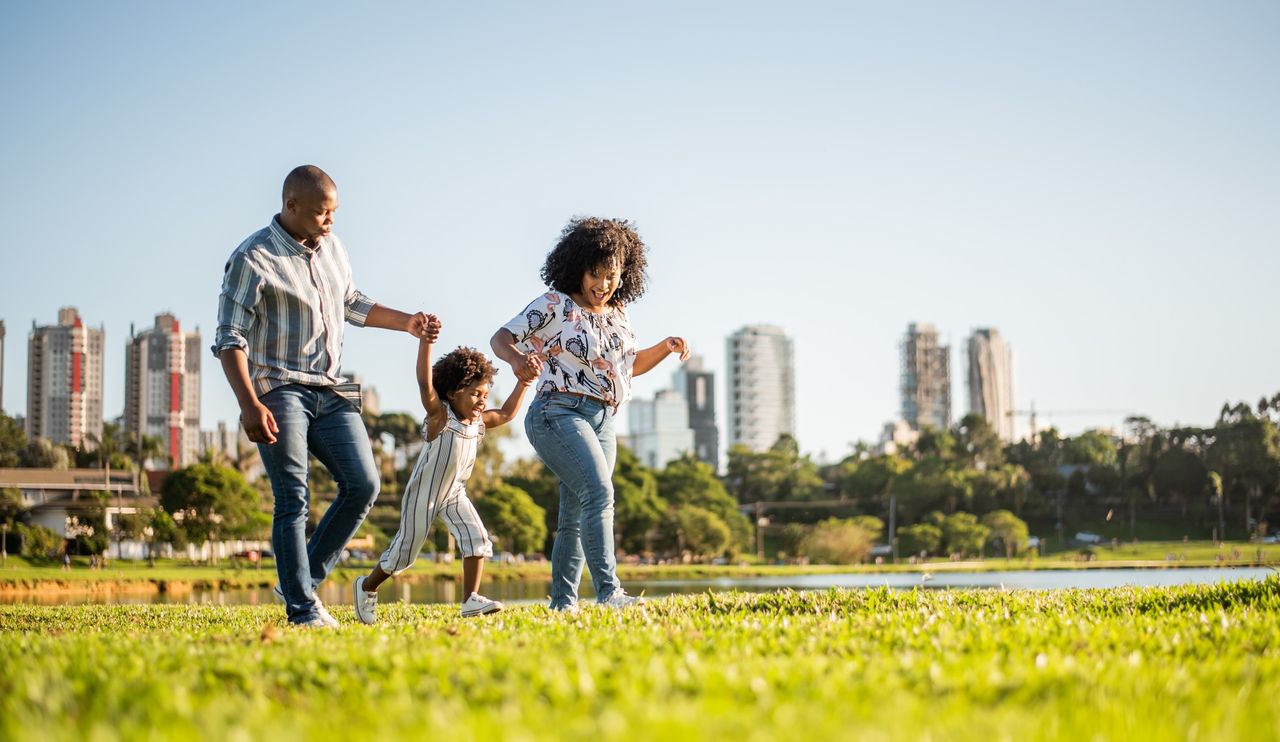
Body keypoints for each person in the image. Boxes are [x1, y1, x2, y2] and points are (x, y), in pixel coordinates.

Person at [213, 165, 434, 628]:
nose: (329, 222)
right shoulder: (252, 258)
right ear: (291, 206)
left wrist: (407, 322)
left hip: (330, 389)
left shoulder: (332, 247)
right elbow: (230, 338)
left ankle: (301, 576)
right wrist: (249, 404)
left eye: (334, 213)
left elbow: (351, 302)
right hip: (277, 389)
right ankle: (301, 607)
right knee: (292, 495)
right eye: (320, 213)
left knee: (364, 484)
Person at [490, 217, 689, 612]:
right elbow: (501, 338)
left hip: (603, 420)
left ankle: (562, 604)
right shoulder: (555, 305)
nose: (603, 285)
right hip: (557, 413)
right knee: (599, 493)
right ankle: (609, 592)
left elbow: (627, 365)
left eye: (612, 276)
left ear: (624, 274)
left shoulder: (619, 311)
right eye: (595, 274)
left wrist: (665, 347)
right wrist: (516, 361)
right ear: (576, 268)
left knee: (575, 513)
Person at [352, 323, 540, 623]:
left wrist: (525, 382)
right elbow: (425, 385)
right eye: (475, 394)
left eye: (485, 394)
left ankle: (469, 600)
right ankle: (366, 586)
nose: (482, 401)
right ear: (453, 393)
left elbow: (505, 414)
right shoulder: (441, 416)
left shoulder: (477, 423)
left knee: (477, 538)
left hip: (454, 493)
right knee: (405, 553)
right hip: (424, 493)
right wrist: (425, 343)